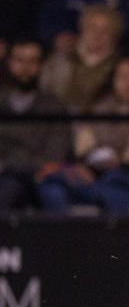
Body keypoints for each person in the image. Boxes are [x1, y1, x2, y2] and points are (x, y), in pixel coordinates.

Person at [36, 56, 129, 214]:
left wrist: (122, 164)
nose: (128, 84)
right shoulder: (97, 110)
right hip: (89, 175)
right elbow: (79, 151)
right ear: (112, 80)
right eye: (122, 77)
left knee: (115, 183)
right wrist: (82, 165)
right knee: (52, 185)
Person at [0, 38, 71, 211]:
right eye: (19, 61)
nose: (25, 68)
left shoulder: (53, 106)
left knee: (54, 192)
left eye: (33, 61)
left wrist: (9, 163)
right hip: (6, 179)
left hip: (43, 178)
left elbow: (55, 155)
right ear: (9, 63)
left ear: (41, 66)